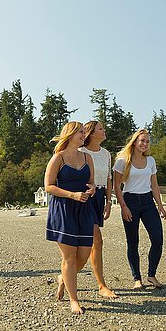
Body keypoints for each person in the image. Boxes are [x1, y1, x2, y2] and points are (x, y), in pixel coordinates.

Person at [45, 122, 97, 314]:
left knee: (83, 255)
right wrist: (71, 194)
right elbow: (48, 186)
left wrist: (92, 189)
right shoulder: (58, 158)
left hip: (84, 208)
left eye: (84, 132)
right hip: (64, 209)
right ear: (70, 134)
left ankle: (63, 279)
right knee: (69, 256)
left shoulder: (87, 157)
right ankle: (73, 299)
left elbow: (91, 182)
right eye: (80, 132)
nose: (84, 135)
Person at [113, 129, 166, 291]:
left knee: (157, 239)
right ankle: (137, 279)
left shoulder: (150, 161)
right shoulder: (123, 161)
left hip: (147, 202)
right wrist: (123, 207)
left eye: (147, 142)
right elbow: (116, 186)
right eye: (142, 141)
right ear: (135, 142)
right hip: (130, 201)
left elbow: (154, 185)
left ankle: (151, 275)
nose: (144, 144)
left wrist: (160, 205)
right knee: (133, 242)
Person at [79, 120, 117, 299]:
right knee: (96, 241)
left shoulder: (107, 154)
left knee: (89, 244)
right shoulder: (81, 152)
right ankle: (101, 285)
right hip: (84, 197)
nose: (104, 130)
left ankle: (65, 276)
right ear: (92, 133)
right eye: (101, 128)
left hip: (100, 197)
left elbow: (109, 179)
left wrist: (109, 202)